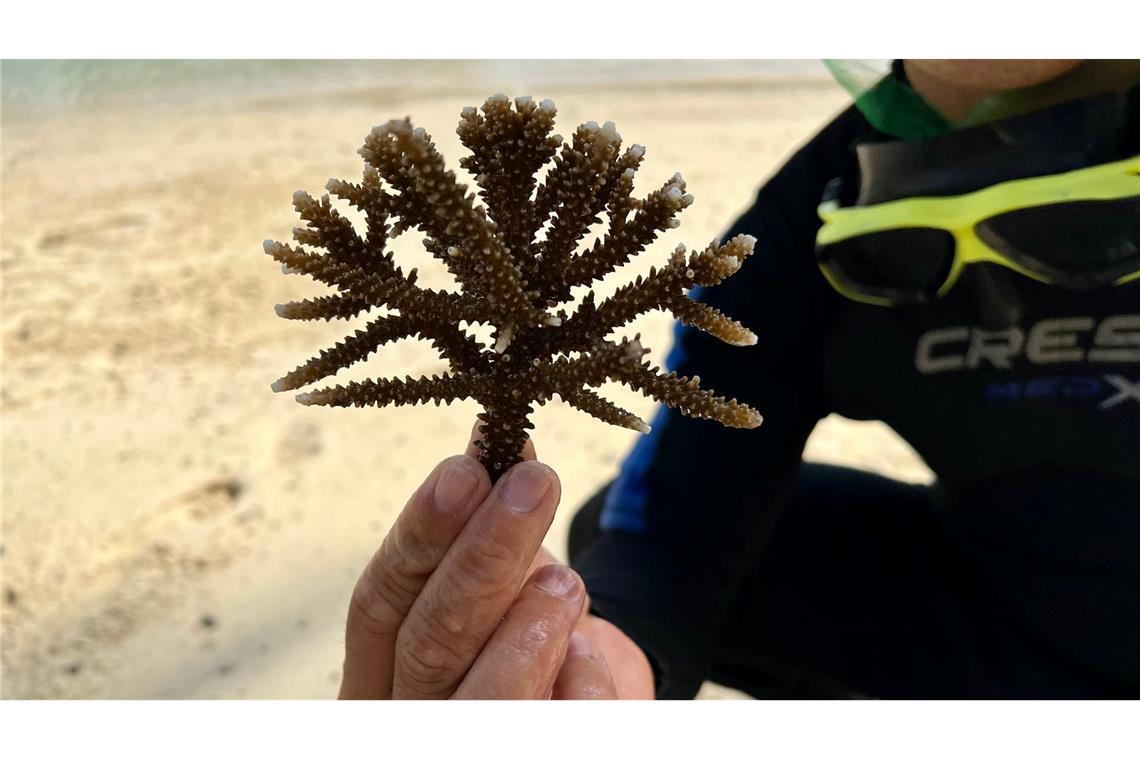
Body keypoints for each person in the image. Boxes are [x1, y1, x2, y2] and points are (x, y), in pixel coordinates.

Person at [336, 60, 1140, 699]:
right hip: (997, 613)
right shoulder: (810, 213)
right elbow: (674, 526)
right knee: (606, 542)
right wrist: (600, 672)